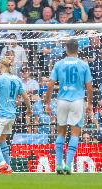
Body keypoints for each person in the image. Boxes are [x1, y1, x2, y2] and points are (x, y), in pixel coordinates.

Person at [45, 39, 93, 175]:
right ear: (78, 49)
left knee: (60, 132)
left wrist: (47, 103)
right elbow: (89, 87)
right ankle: (68, 165)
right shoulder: (83, 64)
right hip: (77, 101)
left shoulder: (59, 64)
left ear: (66, 49)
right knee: (75, 134)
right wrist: (89, 104)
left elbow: (50, 84)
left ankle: (58, 164)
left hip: (62, 101)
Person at [0, 57, 32, 174]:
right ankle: (9, 167)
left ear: (0, 66)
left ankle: (3, 164)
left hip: (0, 115)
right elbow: (26, 97)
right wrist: (29, 109)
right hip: (11, 116)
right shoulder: (17, 79)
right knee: (2, 140)